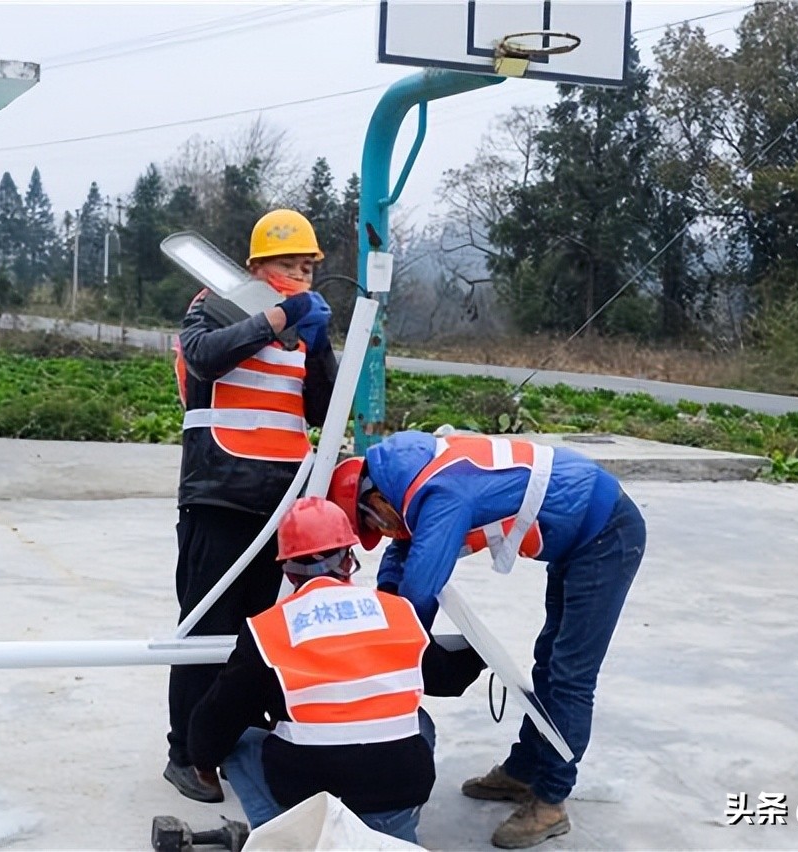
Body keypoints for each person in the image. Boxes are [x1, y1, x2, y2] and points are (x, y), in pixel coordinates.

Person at [328, 431, 646, 849]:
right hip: (582, 536)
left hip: (606, 534)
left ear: (377, 499)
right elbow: (404, 548)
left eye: (374, 524)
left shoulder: (443, 492)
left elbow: (421, 589)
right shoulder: (414, 476)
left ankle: (551, 801)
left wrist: (389, 648)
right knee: (548, 660)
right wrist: (387, 600)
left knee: (570, 674)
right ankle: (525, 769)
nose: (382, 533)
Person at [186, 496, 486, 844]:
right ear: (348, 560)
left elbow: (218, 716)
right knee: (418, 721)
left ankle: (288, 839)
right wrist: (478, 653)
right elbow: (445, 679)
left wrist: (202, 760)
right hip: (397, 789)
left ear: (286, 569)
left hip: (309, 791)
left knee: (238, 738)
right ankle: (392, 837)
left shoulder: (266, 630)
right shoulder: (399, 611)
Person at [165, 209, 338, 804]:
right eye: (289, 265)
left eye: (308, 268)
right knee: (204, 627)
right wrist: (275, 318)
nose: (300, 277)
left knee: (257, 632)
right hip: (219, 494)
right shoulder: (214, 303)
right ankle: (186, 753)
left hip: (279, 499)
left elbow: (319, 409)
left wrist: (317, 349)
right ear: (257, 266)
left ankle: (236, 736)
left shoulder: (301, 326)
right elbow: (204, 357)